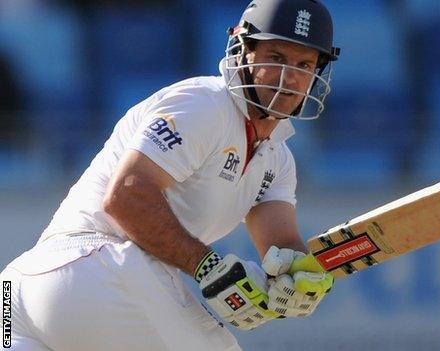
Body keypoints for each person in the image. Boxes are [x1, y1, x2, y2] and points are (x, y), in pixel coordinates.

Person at [0, 0, 340, 349]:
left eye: (304, 64)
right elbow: (126, 196)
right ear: (242, 51)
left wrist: (299, 280)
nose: (290, 78)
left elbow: (282, 244)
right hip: (95, 266)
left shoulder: (278, 159)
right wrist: (208, 268)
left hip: (16, 298)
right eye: (277, 58)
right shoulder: (206, 104)